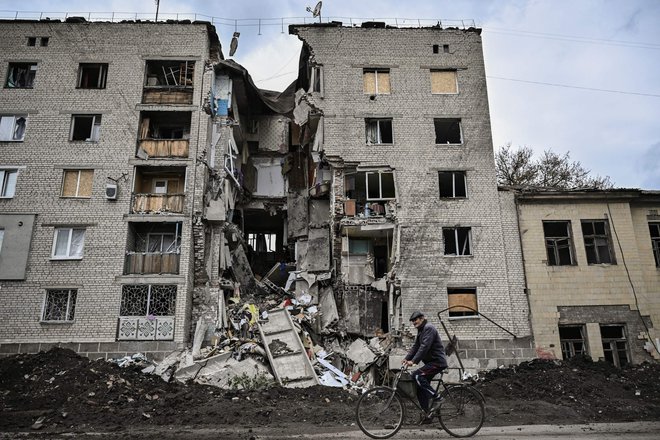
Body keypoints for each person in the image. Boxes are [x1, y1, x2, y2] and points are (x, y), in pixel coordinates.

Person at [403, 311, 448, 423]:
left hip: (437, 362)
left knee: (417, 375)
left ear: (422, 318)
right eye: (412, 321)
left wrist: (413, 361)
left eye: (415, 320)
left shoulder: (429, 328)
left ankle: (438, 398)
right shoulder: (421, 331)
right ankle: (427, 415)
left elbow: (424, 347)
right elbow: (416, 347)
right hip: (431, 363)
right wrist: (406, 358)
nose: (414, 322)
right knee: (419, 387)